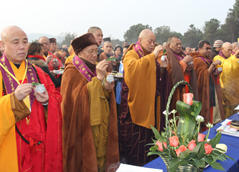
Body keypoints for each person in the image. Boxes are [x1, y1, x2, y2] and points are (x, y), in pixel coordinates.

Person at [0, 26, 62, 172]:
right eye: (16, 42)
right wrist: (13, 99)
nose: (22, 47)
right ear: (2, 45)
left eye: (25, 42)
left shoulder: (38, 72)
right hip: (9, 144)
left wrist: (48, 102)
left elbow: (57, 98)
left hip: (38, 145)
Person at [61, 33, 119, 172]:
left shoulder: (93, 67)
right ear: (80, 53)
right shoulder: (71, 71)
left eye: (96, 51)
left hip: (100, 122)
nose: (95, 55)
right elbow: (76, 100)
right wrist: (98, 79)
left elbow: (99, 93)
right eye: (90, 51)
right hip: (83, 125)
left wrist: (106, 88)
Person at [119, 29, 170, 166]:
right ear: (140, 40)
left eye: (154, 42)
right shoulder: (131, 53)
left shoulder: (148, 55)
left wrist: (162, 69)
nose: (152, 44)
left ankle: (148, 164)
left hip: (148, 103)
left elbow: (152, 77)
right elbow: (132, 70)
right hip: (134, 103)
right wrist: (153, 56)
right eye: (150, 41)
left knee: (148, 139)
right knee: (134, 139)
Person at [158, 36, 198, 111]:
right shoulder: (164, 54)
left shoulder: (182, 55)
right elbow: (167, 72)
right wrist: (183, 63)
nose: (179, 46)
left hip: (186, 86)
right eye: (176, 44)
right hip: (175, 89)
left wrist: (189, 69)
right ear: (169, 45)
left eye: (180, 44)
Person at [190, 40, 225, 128]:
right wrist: (213, 64)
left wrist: (215, 72)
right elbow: (204, 74)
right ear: (200, 48)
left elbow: (209, 73)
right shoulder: (197, 60)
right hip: (202, 88)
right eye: (206, 48)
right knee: (205, 110)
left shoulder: (207, 58)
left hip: (210, 86)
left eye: (210, 48)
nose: (209, 50)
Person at [213, 42, 239, 118]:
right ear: (222, 49)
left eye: (231, 50)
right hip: (223, 89)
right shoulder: (217, 58)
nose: (230, 52)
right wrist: (235, 56)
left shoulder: (230, 57)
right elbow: (226, 67)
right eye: (228, 50)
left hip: (233, 91)